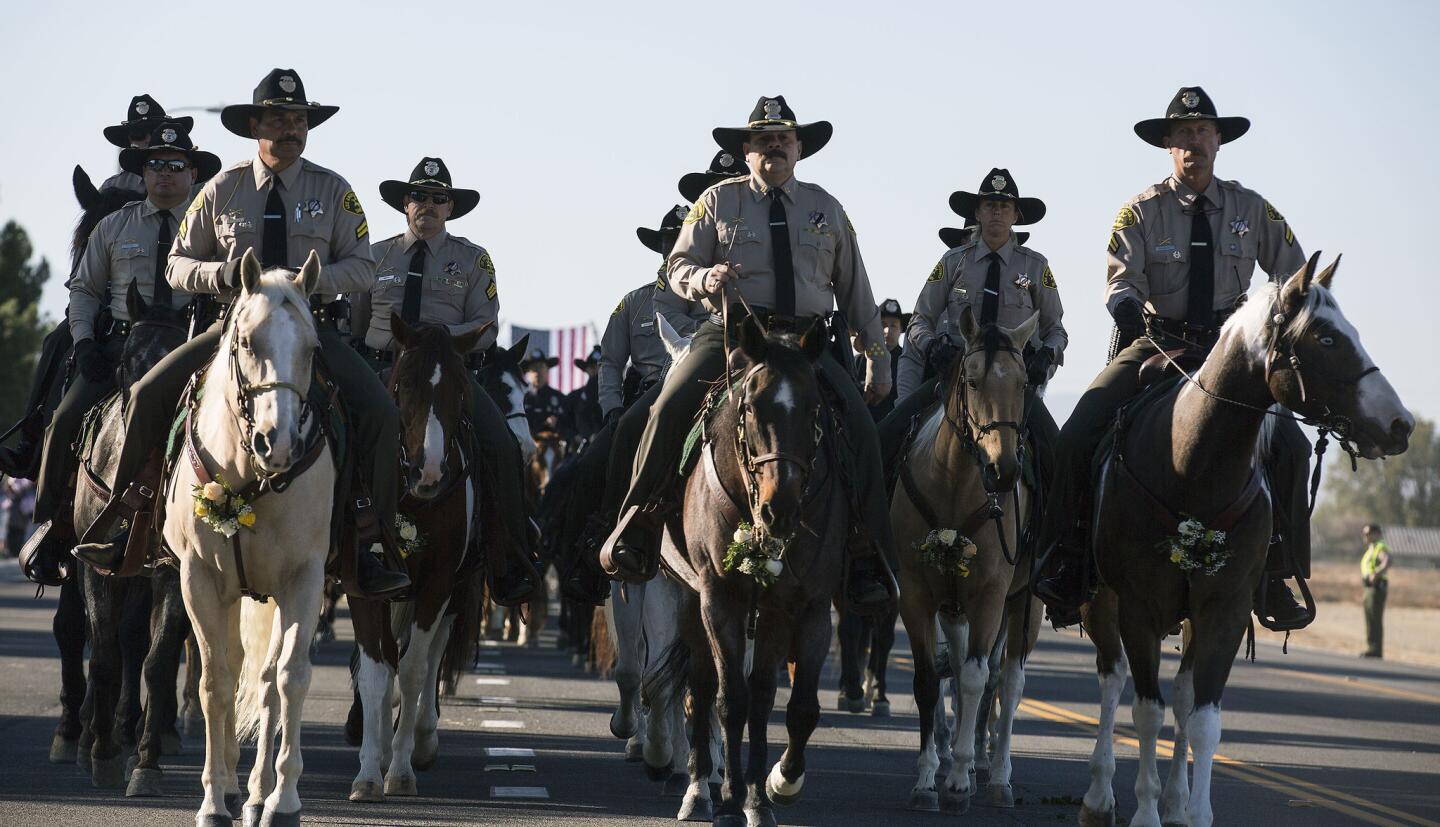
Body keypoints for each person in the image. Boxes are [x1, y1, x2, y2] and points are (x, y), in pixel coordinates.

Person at [73, 69, 409, 599]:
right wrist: (224, 276)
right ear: (254, 125)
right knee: (144, 395)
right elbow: (177, 267)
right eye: (278, 118)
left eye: (299, 120)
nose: (291, 129)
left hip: (308, 332)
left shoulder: (335, 191)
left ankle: (369, 541)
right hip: (231, 332)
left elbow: (363, 268)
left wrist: (300, 287)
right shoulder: (221, 189)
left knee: (381, 413)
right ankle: (129, 519)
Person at [599, 95, 895, 612]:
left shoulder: (827, 208)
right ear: (747, 150)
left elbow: (857, 293)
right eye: (763, 140)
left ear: (799, 148)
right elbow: (677, 267)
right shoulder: (716, 200)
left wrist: (877, 357)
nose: (774, 147)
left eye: (783, 139)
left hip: (806, 344)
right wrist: (704, 276)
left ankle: (867, 552)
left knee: (864, 432)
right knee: (665, 410)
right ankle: (639, 523)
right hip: (735, 335)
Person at [1035, 87, 1314, 630]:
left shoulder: (1253, 209)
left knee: (1293, 449)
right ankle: (1068, 563)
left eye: (1203, 132)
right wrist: (1122, 306)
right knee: (1076, 435)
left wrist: (1285, 323)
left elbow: (1294, 278)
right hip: (1158, 342)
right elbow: (1121, 277)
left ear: (1219, 141)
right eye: (1183, 134)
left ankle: (1277, 574)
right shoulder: (1140, 210)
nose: (1194, 143)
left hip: (1233, 353)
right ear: (1168, 145)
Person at [17, 121, 216, 585]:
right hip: (121, 345)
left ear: (192, 174)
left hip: (190, 346)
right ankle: (50, 527)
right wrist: (85, 343)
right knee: (65, 418)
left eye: (175, 166)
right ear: (142, 174)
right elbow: (84, 290)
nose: (164, 174)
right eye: (155, 166)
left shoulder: (212, 230)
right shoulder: (113, 226)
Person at [349, 156, 538, 605]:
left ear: (451, 207)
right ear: (405, 204)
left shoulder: (473, 259)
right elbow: (356, 323)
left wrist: (434, 339)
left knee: (502, 445)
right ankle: (333, 545)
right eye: (419, 196)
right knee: (330, 435)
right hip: (383, 371)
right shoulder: (374, 256)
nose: (428, 205)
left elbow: (486, 327)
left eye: (439, 198)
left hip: (449, 376)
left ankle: (509, 557)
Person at [877, 170, 1066, 481]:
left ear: (1016, 215)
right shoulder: (952, 262)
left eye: (1005, 207)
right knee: (885, 436)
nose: (997, 212)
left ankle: (1061, 529)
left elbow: (1055, 329)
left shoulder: (1036, 266)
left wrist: (1046, 355)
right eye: (989, 205)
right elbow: (920, 320)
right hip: (955, 377)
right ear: (977, 213)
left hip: (1013, 388)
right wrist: (932, 345)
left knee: (1060, 457)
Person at [101, 94, 193, 192]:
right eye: (139, 134)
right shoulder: (114, 185)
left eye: (155, 132)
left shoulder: (197, 185)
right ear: (130, 140)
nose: (148, 140)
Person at [855, 299, 907, 421]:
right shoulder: (860, 361)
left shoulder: (908, 361)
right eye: (883, 325)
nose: (887, 331)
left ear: (901, 329)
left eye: (893, 325)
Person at [1360, 523, 1391, 658]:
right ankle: (1371, 647)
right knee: (1369, 618)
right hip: (1368, 588)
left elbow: (1387, 561)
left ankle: (1376, 649)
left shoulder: (1380, 547)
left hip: (1376, 587)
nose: (1365, 537)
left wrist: (1376, 574)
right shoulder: (1370, 550)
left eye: (1368, 534)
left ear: (1376, 534)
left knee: (1375, 618)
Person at [522, 350, 568, 438]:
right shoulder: (522, 399)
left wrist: (557, 424)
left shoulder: (560, 398)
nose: (537, 372)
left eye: (541, 367)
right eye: (534, 368)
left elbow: (569, 426)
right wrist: (544, 424)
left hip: (555, 446)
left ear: (547, 369)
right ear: (527, 371)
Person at [565, 346, 604, 441]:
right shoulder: (574, 398)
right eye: (592, 367)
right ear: (586, 369)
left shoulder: (620, 390)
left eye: (600, 367)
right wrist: (589, 435)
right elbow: (580, 417)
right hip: (591, 441)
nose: (596, 371)